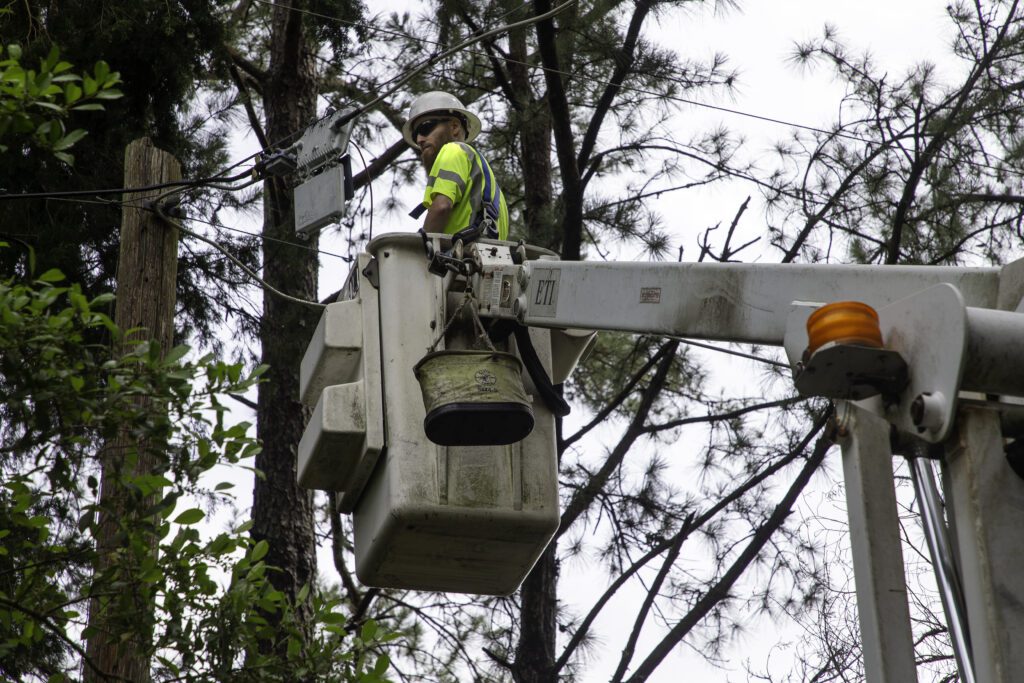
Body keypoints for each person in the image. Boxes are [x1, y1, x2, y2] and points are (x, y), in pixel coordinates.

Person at [403, 91, 509, 241]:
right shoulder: (491, 192)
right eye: (415, 135)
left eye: (425, 128)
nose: (419, 139)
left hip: (458, 260)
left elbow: (441, 207)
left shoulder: (453, 150)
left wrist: (418, 254)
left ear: (454, 127)